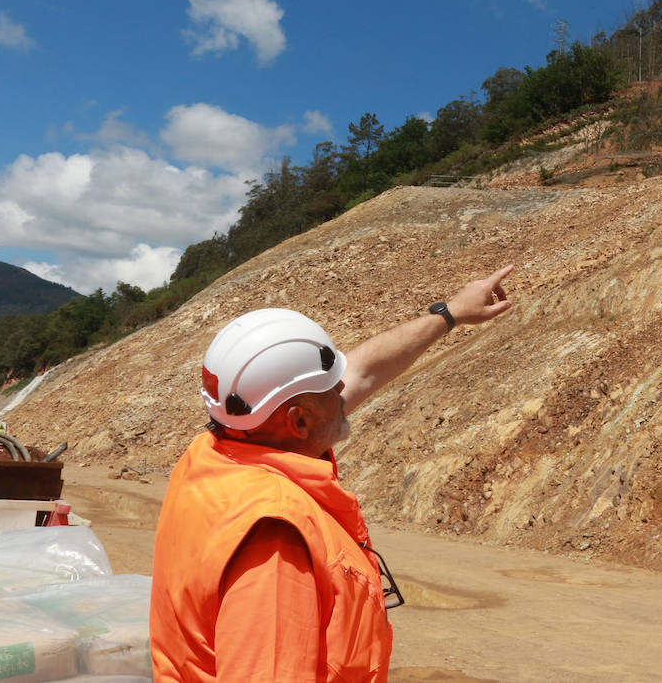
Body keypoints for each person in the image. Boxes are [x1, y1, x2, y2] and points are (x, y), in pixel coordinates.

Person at [149, 265, 514, 683]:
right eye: (330, 386)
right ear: (298, 421)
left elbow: (361, 371)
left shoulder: (217, 455)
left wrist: (449, 314)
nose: (343, 389)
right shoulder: (275, 537)